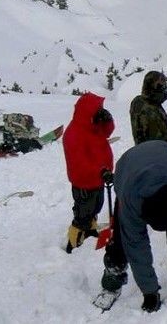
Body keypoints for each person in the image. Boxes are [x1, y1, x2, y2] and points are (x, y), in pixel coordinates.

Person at [99, 140, 167, 313]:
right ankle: (113, 276)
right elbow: (136, 247)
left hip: (163, 157)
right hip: (128, 169)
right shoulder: (131, 203)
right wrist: (150, 292)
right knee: (122, 240)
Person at [62, 92, 115, 253]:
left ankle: (90, 230)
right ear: (87, 112)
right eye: (98, 109)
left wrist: (108, 120)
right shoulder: (73, 133)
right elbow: (79, 164)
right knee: (83, 214)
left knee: (96, 207)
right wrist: (101, 171)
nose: (100, 111)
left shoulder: (93, 126)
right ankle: (73, 243)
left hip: (98, 179)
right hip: (84, 182)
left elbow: (107, 132)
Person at [130, 71, 167, 145]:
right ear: (152, 84)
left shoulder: (154, 104)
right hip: (154, 153)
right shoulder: (143, 104)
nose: (164, 85)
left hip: (163, 152)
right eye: (161, 81)